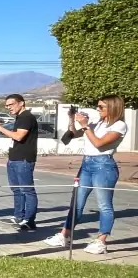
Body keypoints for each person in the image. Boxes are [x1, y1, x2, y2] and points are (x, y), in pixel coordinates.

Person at [43, 95, 128, 255]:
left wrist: (85, 125)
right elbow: (75, 134)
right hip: (87, 164)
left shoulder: (119, 125)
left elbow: (99, 143)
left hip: (103, 165)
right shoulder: (96, 123)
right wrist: (72, 119)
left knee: (104, 205)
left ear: (113, 107)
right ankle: (65, 235)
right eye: (98, 106)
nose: (98, 109)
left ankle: (101, 241)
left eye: (101, 107)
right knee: (77, 202)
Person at [0, 94, 39, 232]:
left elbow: (19, 136)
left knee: (27, 190)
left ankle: (29, 220)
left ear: (21, 103)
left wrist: (0, 128)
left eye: (11, 104)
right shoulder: (19, 118)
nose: (8, 108)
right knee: (17, 189)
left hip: (23, 159)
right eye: (7, 106)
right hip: (14, 158)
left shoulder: (26, 117)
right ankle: (18, 216)